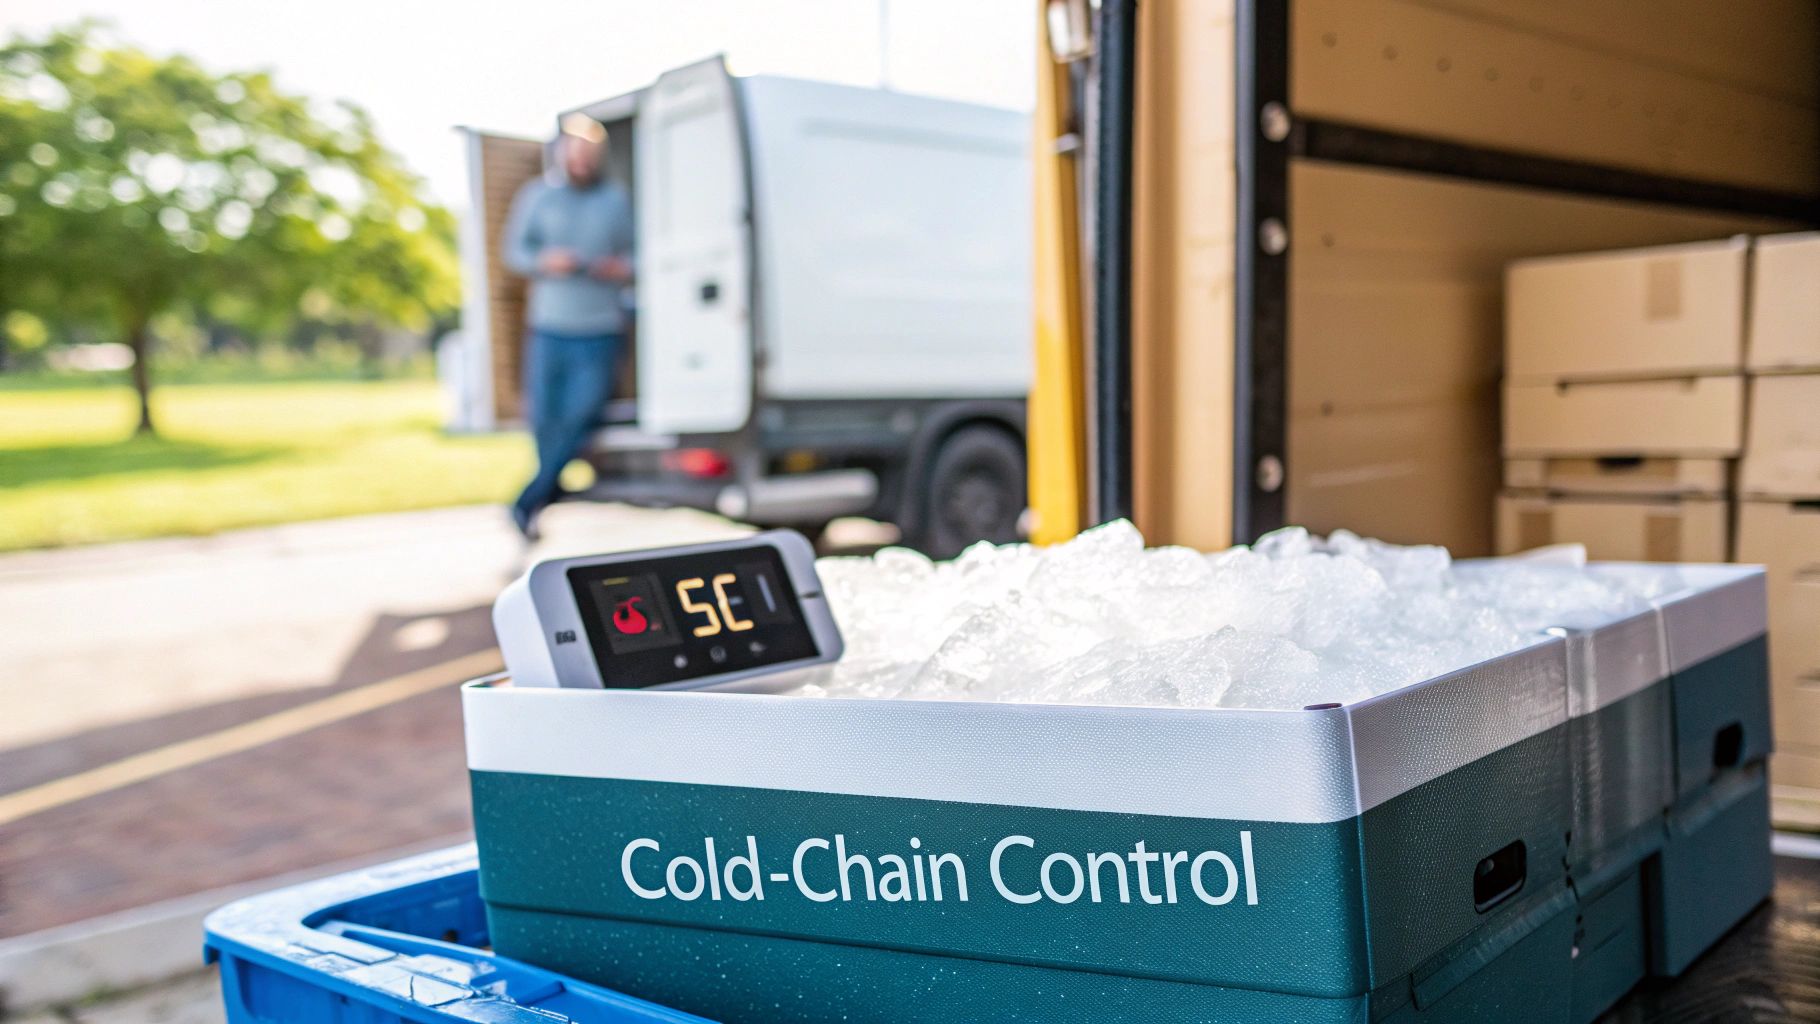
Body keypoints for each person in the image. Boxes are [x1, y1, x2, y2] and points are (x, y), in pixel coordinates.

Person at [500, 114, 635, 540]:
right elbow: (514, 252)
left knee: (581, 414)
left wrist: (621, 268)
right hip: (549, 326)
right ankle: (545, 492)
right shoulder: (537, 197)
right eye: (574, 154)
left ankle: (528, 500)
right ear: (561, 154)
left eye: (588, 155)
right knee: (545, 420)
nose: (580, 162)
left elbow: (642, 254)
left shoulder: (615, 201)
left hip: (599, 326)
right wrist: (545, 262)